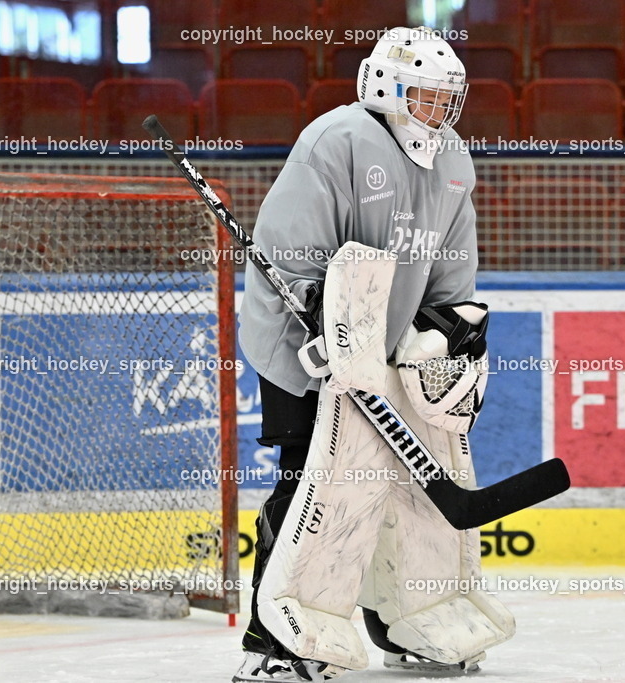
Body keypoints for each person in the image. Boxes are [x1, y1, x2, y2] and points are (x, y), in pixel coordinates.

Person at [233, 27, 514, 683]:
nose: (436, 112)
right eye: (423, 97)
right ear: (384, 88)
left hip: (385, 348)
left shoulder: (453, 161)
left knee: (401, 482)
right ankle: (272, 642)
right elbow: (290, 252)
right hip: (300, 344)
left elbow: (451, 276)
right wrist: (318, 314)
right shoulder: (336, 141)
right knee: (314, 476)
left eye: (446, 100)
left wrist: (446, 334)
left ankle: (404, 626)